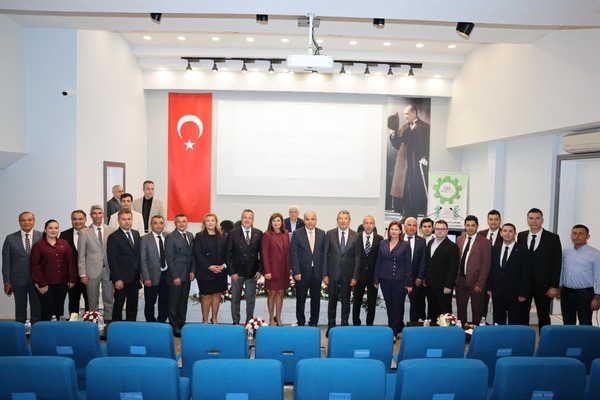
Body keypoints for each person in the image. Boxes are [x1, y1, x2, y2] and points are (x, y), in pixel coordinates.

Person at [516, 208, 562, 330]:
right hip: (524, 285)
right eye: (531, 218)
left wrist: (554, 286)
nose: (534, 221)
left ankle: (545, 340)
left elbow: (557, 263)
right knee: (522, 315)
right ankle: (524, 339)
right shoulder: (521, 236)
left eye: (537, 218)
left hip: (544, 286)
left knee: (544, 316)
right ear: (527, 220)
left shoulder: (553, 238)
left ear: (542, 220)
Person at [30, 219, 77, 320]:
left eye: (56, 228)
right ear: (45, 229)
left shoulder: (64, 243)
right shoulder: (38, 245)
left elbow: (70, 261)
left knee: (59, 309)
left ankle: (57, 328)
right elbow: (35, 265)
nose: (53, 230)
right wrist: (41, 284)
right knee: (47, 309)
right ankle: (45, 329)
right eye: (50, 228)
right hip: (45, 285)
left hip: (62, 283)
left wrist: (72, 279)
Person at [390, 105, 430, 217]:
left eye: (407, 113)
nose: (405, 116)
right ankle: (406, 214)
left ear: (414, 113)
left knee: (417, 188)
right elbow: (397, 145)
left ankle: (416, 213)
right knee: (405, 189)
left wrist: (426, 157)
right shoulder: (403, 128)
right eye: (404, 114)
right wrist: (393, 134)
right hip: (404, 164)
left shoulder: (426, 127)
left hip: (418, 164)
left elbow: (429, 146)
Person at [487, 223, 532, 325]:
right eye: (505, 231)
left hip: (515, 294)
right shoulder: (494, 249)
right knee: (498, 321)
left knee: (515, 321)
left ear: (515, 234)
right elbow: (491, 269)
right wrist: (489, 286)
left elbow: (526, 274)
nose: (507, 233)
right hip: (497, 292)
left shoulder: (523, 251)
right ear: (501, 233)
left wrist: (523, 292)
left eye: (510, 231)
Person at [322, 210, 358, 336]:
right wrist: (325, 274)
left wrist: (355, 276)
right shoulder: (330, 234)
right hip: (333, 274)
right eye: (340, 218)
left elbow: (357, 257)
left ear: (349, 220)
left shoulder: (356, 235)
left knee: (346, 302)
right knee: (332, 302)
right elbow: (325, 255)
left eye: (345, 218)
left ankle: (344, 327)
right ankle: (331, 326)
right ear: (337, 220)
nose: (343, 221)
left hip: (347, 275)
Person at [2, 212, 42, 323]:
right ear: (19, 222)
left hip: (37, 280)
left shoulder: (42, 236)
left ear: (34, 221)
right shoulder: (10, 238)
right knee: (20, 308)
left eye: (29, 219)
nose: (26, 222)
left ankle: (36, 329)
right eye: (23, 220)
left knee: (37, 307)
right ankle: (19, 330)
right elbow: (6, 262)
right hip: (18, 280)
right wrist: (7, 282)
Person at [374, 220, 412, 336]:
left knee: (396, 306)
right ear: (389, 230)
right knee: (389, 306)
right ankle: (393, 328)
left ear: (400, 231)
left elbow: (408, 264)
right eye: (392, 229)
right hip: (385, 280)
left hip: (399, 281)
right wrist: (376, 279)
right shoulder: (382, 243)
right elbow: (378, 262)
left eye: (396, 229)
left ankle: (393, 332)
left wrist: (409, 282)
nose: (394, 231)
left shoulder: (405, 245)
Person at [225, 209, 263, 325]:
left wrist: (259, 270)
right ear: (241, 219)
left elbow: (261, 253)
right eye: (245, 217)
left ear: (253, 220)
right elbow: (228, 253)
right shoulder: (233, 233)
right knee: (235, 299)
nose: (247, 220)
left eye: (249, 218)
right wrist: (232, 272)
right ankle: (235, 321)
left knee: (250, 299)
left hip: (252, 272)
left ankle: (249, 322)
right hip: (237, 272)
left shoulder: (258, 233)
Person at [78, 205, 115, 320]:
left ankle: (108, 323)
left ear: (103, 214)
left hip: (108, 270)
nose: (97, 215)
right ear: (91, 215)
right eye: (94, 213)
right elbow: (81, 255)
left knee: (109, 300)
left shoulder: (111, 230)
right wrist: (82, 274)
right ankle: (94, 323)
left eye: (99, 213)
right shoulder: (84, 232)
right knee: (92, 301)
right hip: (91, 272)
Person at [558, 224, 600, 325]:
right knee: (567, 323)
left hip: (585, 294)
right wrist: (559, 288)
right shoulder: (565, 251)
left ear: (587, 236)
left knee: (585, 323)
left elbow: (599, 277)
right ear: (571, 235)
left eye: (581, 234)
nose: (577, 236)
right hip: (566, 293)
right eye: (574, 233)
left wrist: (597, 298)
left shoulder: (595, 254)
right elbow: (561, 271)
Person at [290, 211, 326, 327]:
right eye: (307, 219)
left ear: (316, 220)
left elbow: (324, 254)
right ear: (304, 220)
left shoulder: (322, 233)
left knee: (316, 299)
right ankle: (301, 322)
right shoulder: (297, 233)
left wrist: (324, 273)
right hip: (301, 273)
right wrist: (296, 271)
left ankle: (313, 322)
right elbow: (293, 253)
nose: (310, 221)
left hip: (317, 272)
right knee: (301, 299)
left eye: (312, 219)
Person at [455, 215, 491, 325]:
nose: (470, 228)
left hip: (476, 283)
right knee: (461, 309)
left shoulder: (485, 242)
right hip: (460, 281)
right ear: (465, 226)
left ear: (477, 226)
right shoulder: (459, 239)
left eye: (473, 225)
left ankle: (476, 331)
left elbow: (486, 264)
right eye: (468, 225)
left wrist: (480, 284)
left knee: (477, 310)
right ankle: (462, 330)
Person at [107, 208, 141, 321]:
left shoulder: (136, 234)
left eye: (129, 219)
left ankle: (131, 326)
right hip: (121, 277)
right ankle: (116, 327)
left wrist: (140, 273)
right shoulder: (113, 237)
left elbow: (137, 255)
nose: (126, 221)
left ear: (132, 220)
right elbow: (112, 259)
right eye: (123, 219)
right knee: (119, 304)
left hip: (134, 276)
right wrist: (117, 278)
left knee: (133, 304)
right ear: (118, 221)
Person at [193, 213, 227, 324]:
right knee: (206, 296)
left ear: (216, 222)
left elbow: (228, 252)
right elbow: (197, 253)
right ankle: (205, 320)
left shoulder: (223, 235)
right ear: (204, 223)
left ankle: (214, 318)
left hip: (220, 271)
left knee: (217, 294)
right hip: (205, 271)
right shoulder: (199, 236)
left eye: (212, 220)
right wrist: (209, 267)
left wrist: (223, 265)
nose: (210, 223)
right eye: (207, 221)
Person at [165, 213, 195, 336]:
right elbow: (169, 258)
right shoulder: (170, 237)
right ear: (175, 223)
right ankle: (174, 326)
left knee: (183, 302)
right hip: (176, 276)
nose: (181, 224)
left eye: (184, 221)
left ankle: (182, 323)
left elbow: (192, 255)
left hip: (187, 274)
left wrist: (192, 271)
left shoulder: (190, 235)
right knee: (174, 303)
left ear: (187, 223)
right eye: (179, 222)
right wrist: (175, 276)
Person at [424, 220, 459, 320]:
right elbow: (428, 262)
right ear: (434, 229)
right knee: (432, 310)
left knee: (445, 312)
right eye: (437, 229)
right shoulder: (430, 243)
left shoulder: (452, 246)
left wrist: (448, 285)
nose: (440, 231)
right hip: (430, 284)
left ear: (447, 230)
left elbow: (453, 268)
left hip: (444, 286)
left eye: (443, 229)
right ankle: (432, 328)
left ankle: (446, 330)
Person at [262, 212, 292, 326]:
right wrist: (267, 271)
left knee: (280, 293)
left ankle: (278, 317)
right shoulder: (267, 235)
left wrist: (290, 267)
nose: (276, 223)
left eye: (278, 220)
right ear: (271, 223)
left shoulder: (286, 233)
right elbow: (264, 253)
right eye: (274, 221)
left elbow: (288, 252)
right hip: (272, 269)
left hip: (284, 269)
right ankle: (271, 318)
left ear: (282, 222)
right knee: (272, 294)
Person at [352, 215, 383, 326]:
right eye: (366, 223)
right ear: (363, 225)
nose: (369, 225)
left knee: (372, 301)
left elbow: (380, 258)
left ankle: (370, 324)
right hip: (359, 275)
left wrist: (378, 277)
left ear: (374, 225)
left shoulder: (380, 239)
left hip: (373, 275)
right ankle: (356, 323)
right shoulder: (356, 237)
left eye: (371, 223)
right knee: (357, 301)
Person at [140, 215, 169, 323]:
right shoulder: (144, 239)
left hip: (166, 275)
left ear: (163, 225)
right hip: (151, 277)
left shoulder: (168, 236)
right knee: (150, 302)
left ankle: (161, 323)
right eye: (155, 223)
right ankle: (151, 323)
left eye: (161, 223)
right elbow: (143, 259)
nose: (158, 225)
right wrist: (146, 277)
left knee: (164, 302)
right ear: (151, 225)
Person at [60, 210, 89, 314]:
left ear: (85, 220)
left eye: (80, 219)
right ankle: (73, 323)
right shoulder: (64, 235)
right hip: (71, 276)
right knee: (73, 302)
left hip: (88, 275)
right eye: (74, 219)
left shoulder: (91, 233)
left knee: (89, 303)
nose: (77, 221)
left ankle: (88, 322)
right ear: (71, 220)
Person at [478, 209, 502, 320]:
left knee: (498, 305)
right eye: (491, 219)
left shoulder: (505, 234)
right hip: (482, 275)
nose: (493, 222)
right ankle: (482, 323)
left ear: (500, 221)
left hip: (498, 275)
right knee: (482, 303)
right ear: (487, 220)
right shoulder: (481, 234)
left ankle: (496, 326)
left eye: (496, 219)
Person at [404, 217, 427, 322]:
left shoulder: (421, 241)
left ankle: (413, 325)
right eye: (409, 225)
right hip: (399, 278)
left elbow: (423, 260)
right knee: (398, 304)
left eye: (414, 225)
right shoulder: (398, 238)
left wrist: (420, 277)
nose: (412, 227)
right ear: (405, 226)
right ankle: (398, 326)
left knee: (415, 305)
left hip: (415, 279)